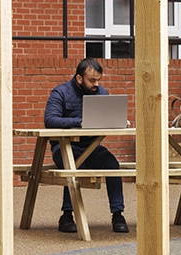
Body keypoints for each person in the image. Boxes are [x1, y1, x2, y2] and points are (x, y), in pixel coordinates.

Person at [44, 58, 128, 234]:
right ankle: (67, 215)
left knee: (113, 165)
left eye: (98, 80)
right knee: (72, 165)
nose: (96, 84)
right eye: (92, 80)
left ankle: (118, 215)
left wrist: (118, 121)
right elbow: (50, 120)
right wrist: (80, 122)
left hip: (91, 147)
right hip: (64, 147)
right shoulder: (60, 93)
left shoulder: (101, 93)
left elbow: (106, 118)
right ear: (79, 78)